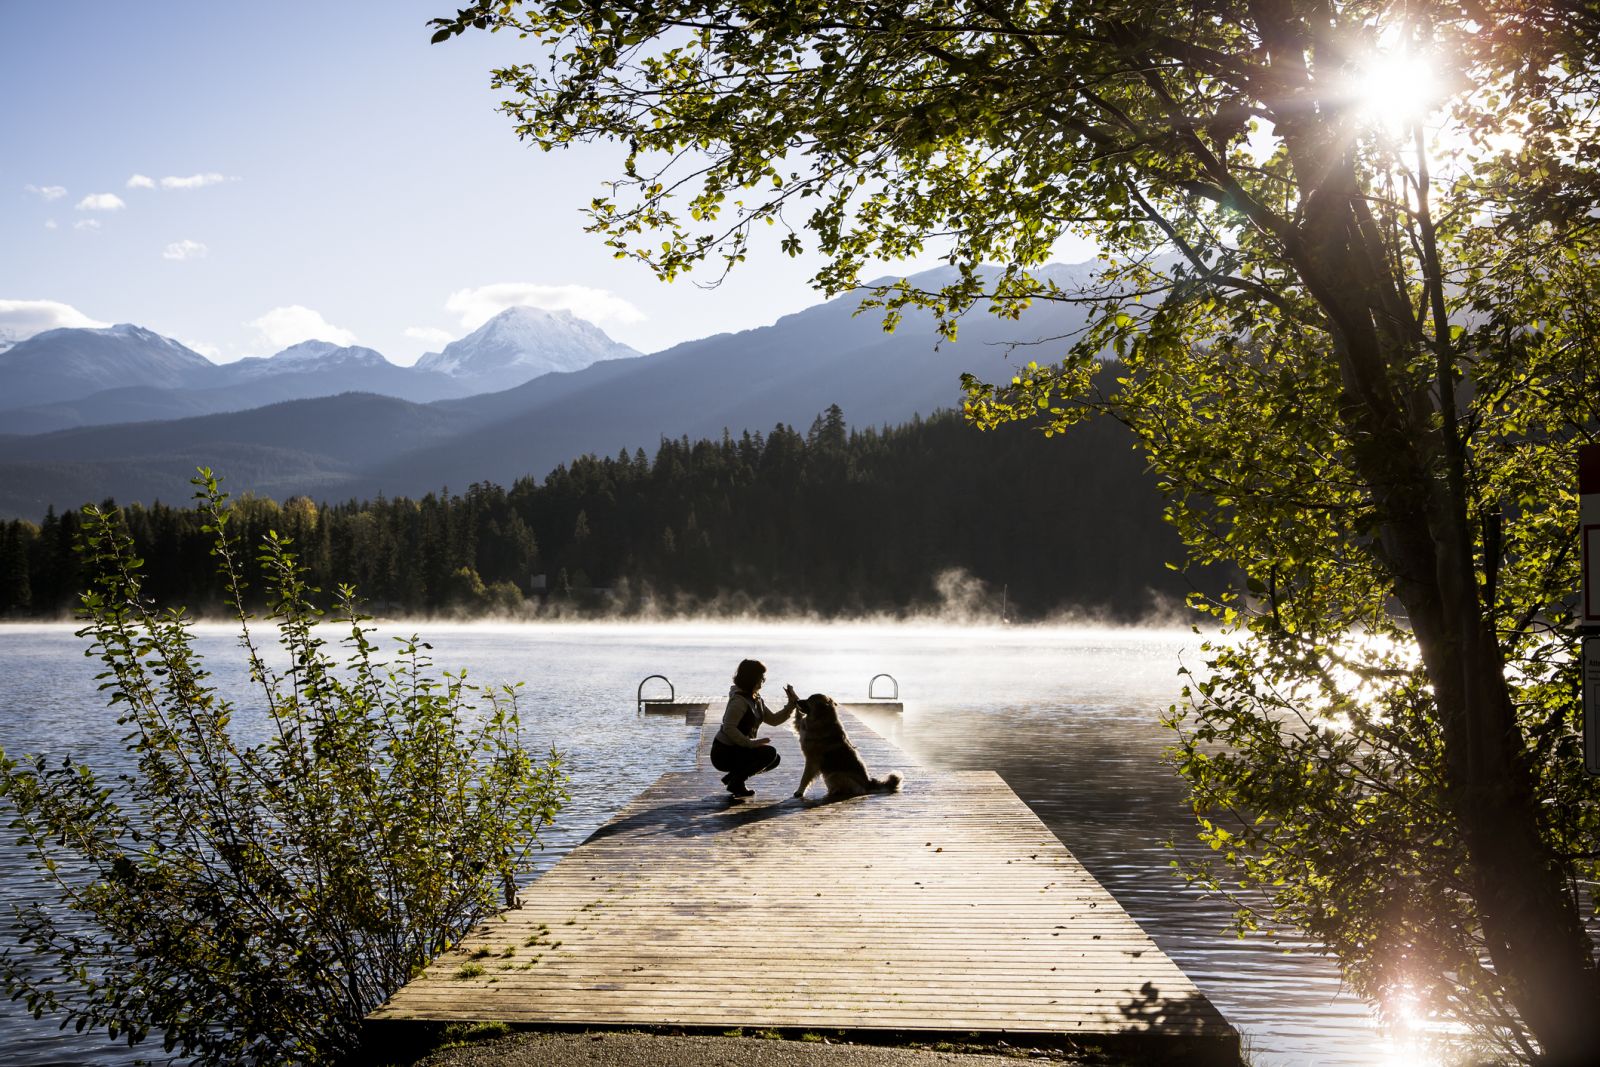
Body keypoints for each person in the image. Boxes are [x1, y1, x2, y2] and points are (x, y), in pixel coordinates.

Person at [711, 659, 799, 797]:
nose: (764, 679)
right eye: (761, 676)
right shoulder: (739, 701)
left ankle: (734, 779)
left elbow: (774, 720)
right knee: (769, 753)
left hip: (738, 749)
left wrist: (791, 705)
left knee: (774, 759)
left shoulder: (756, 698)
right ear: (752, 678)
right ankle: (736, 781)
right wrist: (750, 743)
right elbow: (729, 728)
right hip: (723, 752)